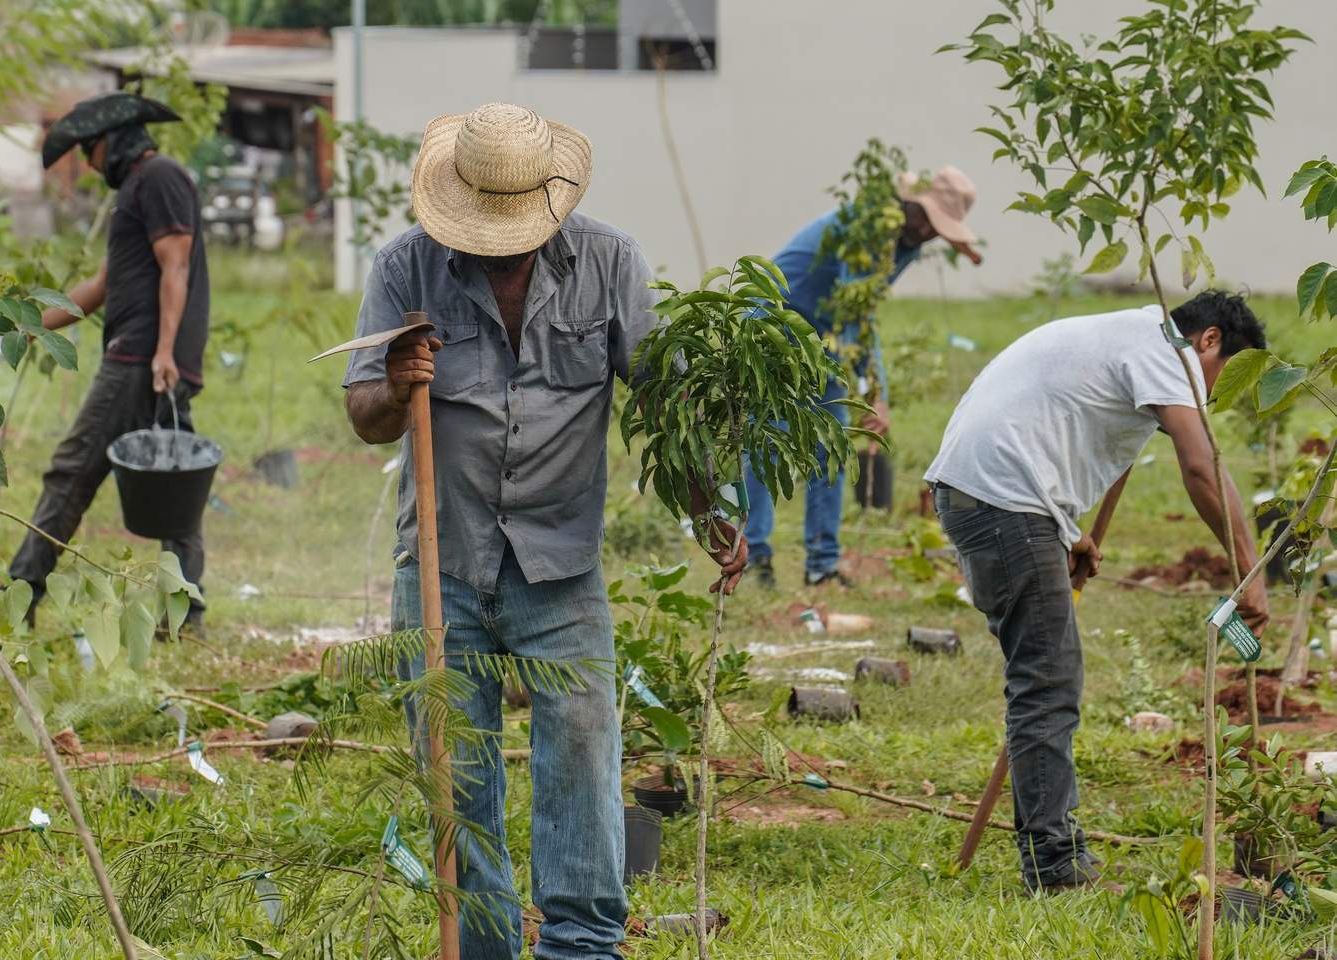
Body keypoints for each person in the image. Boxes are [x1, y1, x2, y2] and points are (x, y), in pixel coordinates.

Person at [340, 103, 746, 960]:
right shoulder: (406, 270)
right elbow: (364, 414)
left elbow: (662, 401)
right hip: (442, 561)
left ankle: (581, 945)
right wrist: (395, 379)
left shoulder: (610, 264)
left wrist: (710, 507)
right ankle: (486, 946)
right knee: (458, 769)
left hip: (560, 565)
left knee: (583, 753)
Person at [924, 291, 1271, 892]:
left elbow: (1046, 415)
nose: (1206, 399)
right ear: (1208, 340)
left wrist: (1067, 530)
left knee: (1044, 675)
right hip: (1004, 501)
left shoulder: (1130, 336)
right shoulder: (1165, 350)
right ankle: (1054, 870)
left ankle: (1055, 853)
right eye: (1216, 381)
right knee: (1047, 680)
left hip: (988, 494)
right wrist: (1251, 568)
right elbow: (1200, 467)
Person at [12, 92, 210, 622]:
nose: (88, 163)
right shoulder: (135, 191)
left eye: (88, 151)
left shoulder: (159, 177)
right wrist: (31, 322)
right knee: (175, 486)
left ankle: (19, 592)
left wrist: (164, 351)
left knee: (71, 471)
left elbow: (176, 267)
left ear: (112, 140)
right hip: (151, 358)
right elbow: (102, 284)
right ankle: (184, 615)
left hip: (142, 358)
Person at [745, 167, 983, 588]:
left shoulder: (906, 242)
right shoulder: (865, 230)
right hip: (777, 327)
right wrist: (875, 392)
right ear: (908, 206)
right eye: (926, 219)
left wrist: (873, 389)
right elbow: (853, 311)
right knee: (769, 443)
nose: (929, 232)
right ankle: (754, 560)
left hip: (826, 334)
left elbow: (861, 310)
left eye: (938, 228)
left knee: (830, 448)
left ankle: (822, 565)